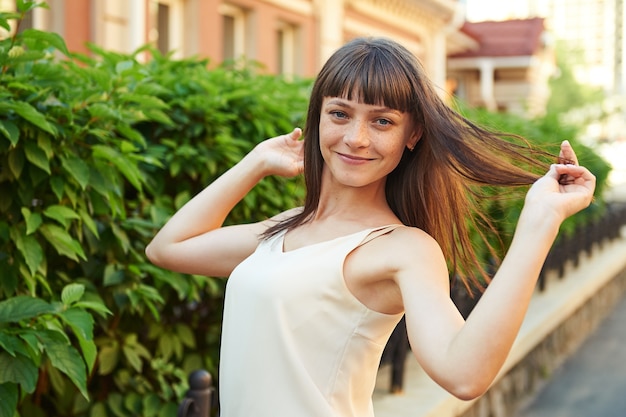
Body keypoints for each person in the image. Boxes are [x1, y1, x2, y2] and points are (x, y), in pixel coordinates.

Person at [145, 37, 595, 417]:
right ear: (317, 118)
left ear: (411, 135)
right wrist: (256, 161)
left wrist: (540, 222)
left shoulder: (403, 249)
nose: (356, 138)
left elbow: (465, 374)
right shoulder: (284, 229)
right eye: (339, 114)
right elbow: (169, 248)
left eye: (382, 121)